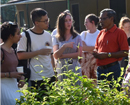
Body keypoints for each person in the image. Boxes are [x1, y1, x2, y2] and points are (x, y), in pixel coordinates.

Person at [17, 8, 56, 100]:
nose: (47, 22)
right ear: (36, 22)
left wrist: (54, 72)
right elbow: (20, 55)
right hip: (35, 77)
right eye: (45, 21)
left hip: (50, 75)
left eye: (48, 19)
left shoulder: (48, 35)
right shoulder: (25, 35)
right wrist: (38, 52)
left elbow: (51, 55)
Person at [93, 8, 129, 91]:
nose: (100, 21)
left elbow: (125, 52)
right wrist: (95, 52)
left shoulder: (119, 33)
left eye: (103, 19)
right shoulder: (101, 33)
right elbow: (96, 48)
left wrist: (108, 55)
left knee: (113, 96)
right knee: (102, 97)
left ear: (111, 19)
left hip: (112, 69)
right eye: (100, 19)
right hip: (100, 69)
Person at [52, 12, 82, 85]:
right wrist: (64, 46)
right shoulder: (56, 37)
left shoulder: (77, 37)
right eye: (66, 21)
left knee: (76, 91)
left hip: (74, 67)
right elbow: (55, 55)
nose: (69, 23)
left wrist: (64, 56)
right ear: (61, 23)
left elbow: (79, 54)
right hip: (62, 68)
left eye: (70, 20)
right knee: (63, 91)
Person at [1, 21, 24, 105]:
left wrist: (21, 78)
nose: (20, 36)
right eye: (18, 33)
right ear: (11, 36)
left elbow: (14, 67)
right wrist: (10, 74)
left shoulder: (12, 50)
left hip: (14, 85)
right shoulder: (1, 51)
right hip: (3, 88)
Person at [80, 14, 100, 82]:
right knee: (85, 82)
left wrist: (87, 48)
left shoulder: (99, 34)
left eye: (86, 22)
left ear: (93, 22)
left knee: (95, 81)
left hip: (95, 64)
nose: (85, 24)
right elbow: (82, 48)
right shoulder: (83, 34)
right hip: (84, 65)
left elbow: (99, 48)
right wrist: (93, 48)